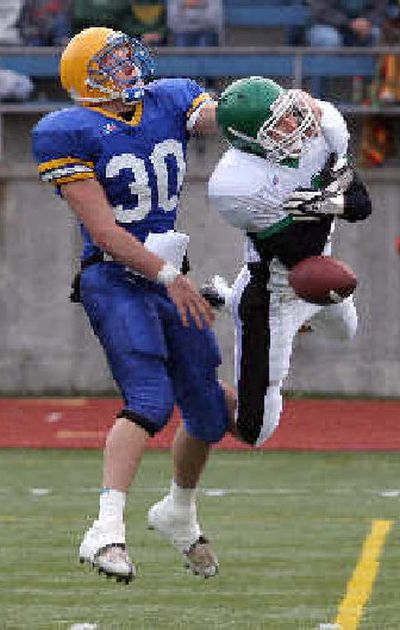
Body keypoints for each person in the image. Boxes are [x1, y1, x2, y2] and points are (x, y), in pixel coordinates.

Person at [31, 26, 231, 583]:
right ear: (85, 80)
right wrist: (171, 276)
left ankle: (178, 514)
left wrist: (270, 106)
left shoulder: (168, 98)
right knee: (149, 398)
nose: (127, 65)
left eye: (125, 55)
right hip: (116, 279)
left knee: (212, 413)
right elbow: (105, 231)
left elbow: (219, 116)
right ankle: (105, 529)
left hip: (169, 279)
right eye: (111, 62)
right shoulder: (67, 131)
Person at [206, 76, 372, 447]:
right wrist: (327, 196)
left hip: (320, 269)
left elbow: (361, 205)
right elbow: (297, 251)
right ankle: (191, 373)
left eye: (291, 114)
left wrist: (324, 202)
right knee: (256, 432)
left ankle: (224, 298)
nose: (293, 126)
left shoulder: (323, 126)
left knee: (346, 332)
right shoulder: (235, 184)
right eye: (277, 124)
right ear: (247, 139)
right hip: (274, 290)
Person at [306, 0, 389, 47]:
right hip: (326, 25)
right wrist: (348, 23)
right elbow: (321, 10)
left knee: (376, 34)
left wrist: (367, 21)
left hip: (363, 26)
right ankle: (332, 76)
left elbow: (379, 8)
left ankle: (370, 76)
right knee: (329, 39)